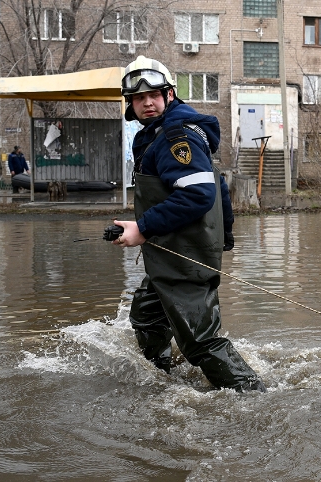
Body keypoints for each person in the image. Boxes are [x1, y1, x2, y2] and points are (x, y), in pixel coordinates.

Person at [110, 56, 263, 392]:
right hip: (175, 248)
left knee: (200, 342)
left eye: (154, 95)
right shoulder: (164, 132)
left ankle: (257, 400)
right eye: (138, 98)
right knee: (147, 314)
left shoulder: (174, 136)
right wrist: (224, 236)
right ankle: (160, 379)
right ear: (130, 104)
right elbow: (218, 185)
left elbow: (198, 195)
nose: (147, 103)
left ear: (170, 94)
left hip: (183, 253)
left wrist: (144, 227)